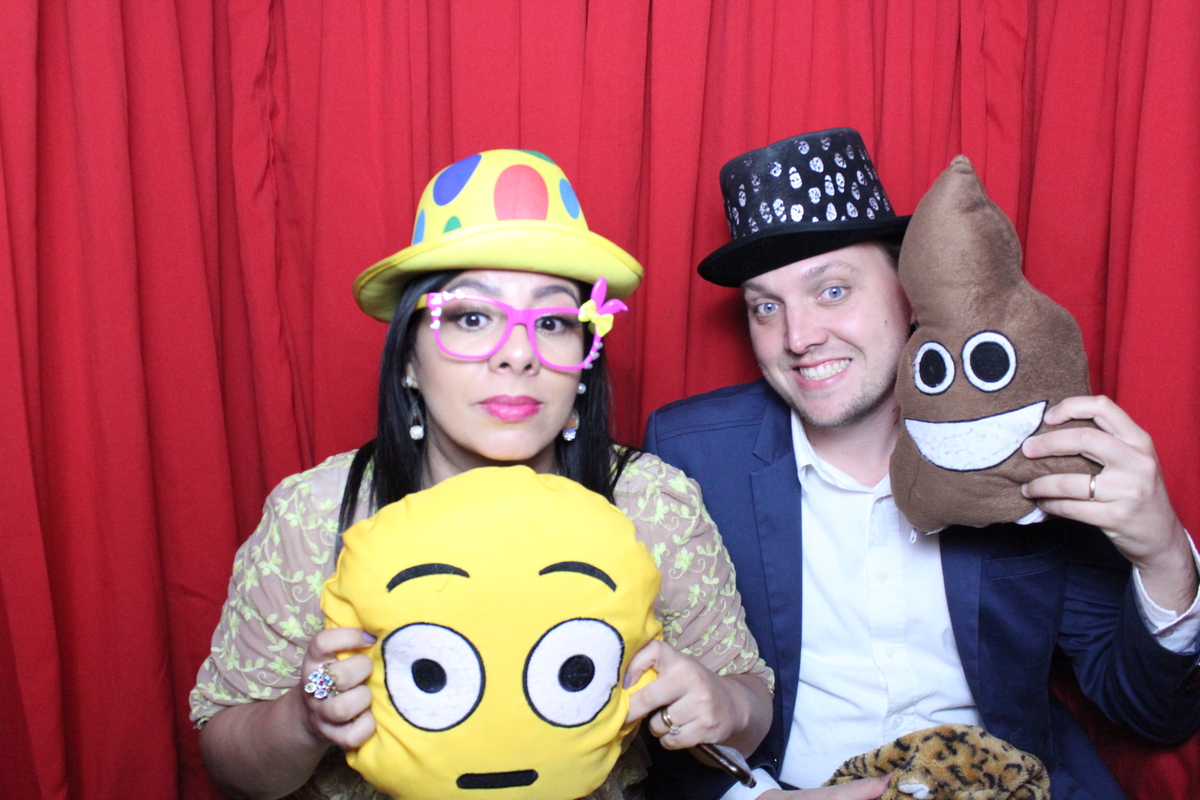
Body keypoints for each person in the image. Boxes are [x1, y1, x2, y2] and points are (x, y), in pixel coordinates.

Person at [190, 149, 774, 800]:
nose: (518, 354)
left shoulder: (648, 502)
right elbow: (228, 761)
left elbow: (750, 708)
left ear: (584, 364)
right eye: (472, 318)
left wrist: (723, 703)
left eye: (552, 322)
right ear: (408, 358)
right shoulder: (317, 514)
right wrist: (306, 713)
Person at [642, 128, 1200, 800]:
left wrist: (1164, 556)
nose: (798, 337)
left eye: (833, 291)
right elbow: (669, 701)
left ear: (910, 297)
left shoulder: (1019, 443)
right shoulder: (693, 456)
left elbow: (1152, 713)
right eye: (766, 306)